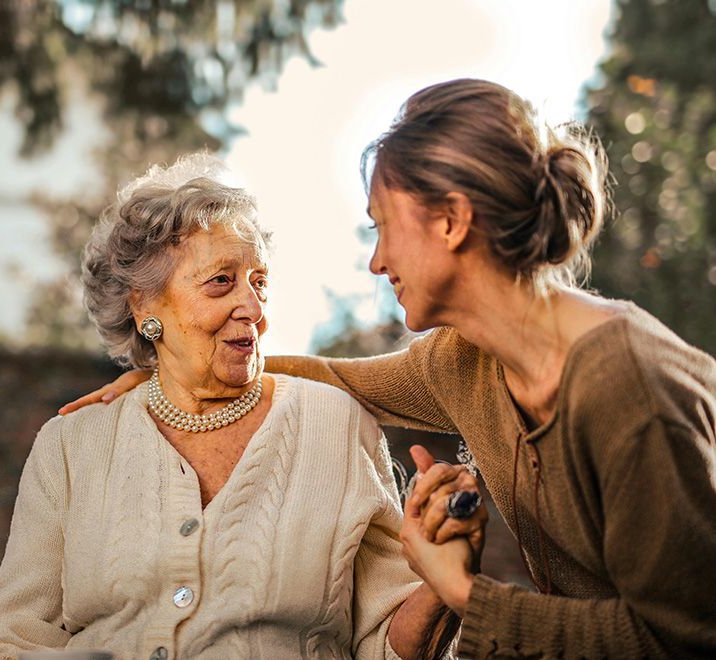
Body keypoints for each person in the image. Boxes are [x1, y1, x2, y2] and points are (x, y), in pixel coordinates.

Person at [65, 80, 716, 658]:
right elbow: (336, 379)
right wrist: (181, 373)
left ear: (453, 221)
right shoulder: (465, 361)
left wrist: (460, 588)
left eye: (383, 227)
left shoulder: (627, 388)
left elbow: (681, 638)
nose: (377, 262)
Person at [0, 154, 462, 659]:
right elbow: (5, 639)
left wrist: (442, 585)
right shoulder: (70, 446)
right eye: (221, 281)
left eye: (259, 282)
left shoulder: (337, 426)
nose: (254, 308)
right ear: (144, 304)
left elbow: (387, 645)